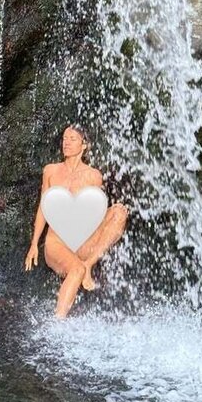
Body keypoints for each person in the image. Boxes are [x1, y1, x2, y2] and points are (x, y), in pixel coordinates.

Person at [24, 125, 128, 319]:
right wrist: (34, 244)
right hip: (56, 243)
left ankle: (89, 264)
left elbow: (95, 212)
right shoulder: (50, 171)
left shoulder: (94, 176)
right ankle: (58, 322)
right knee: (76, 269)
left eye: (72, 139)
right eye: (64, 138)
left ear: (84, 145)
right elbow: (43, 207)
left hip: (83, 243)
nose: (66, 143)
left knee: (119, 212)